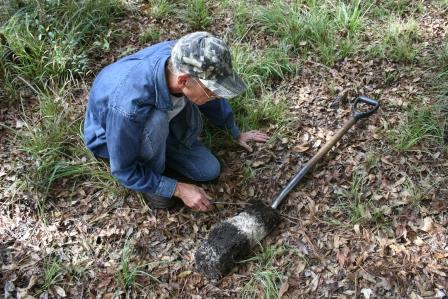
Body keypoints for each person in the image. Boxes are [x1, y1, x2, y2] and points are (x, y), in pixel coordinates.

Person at [83, 31, 268, 212]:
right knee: (157, 121)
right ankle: (153, 171)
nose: (216, 96)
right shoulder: (127, 108)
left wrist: (234, 131)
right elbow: (123, 170)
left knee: (209, 170)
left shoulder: (187, 55)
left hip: (159, 125)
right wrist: (177, 189)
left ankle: (165, 149)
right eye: (211, 91)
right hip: (116, 137)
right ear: (183, 80)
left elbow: (211, 97)